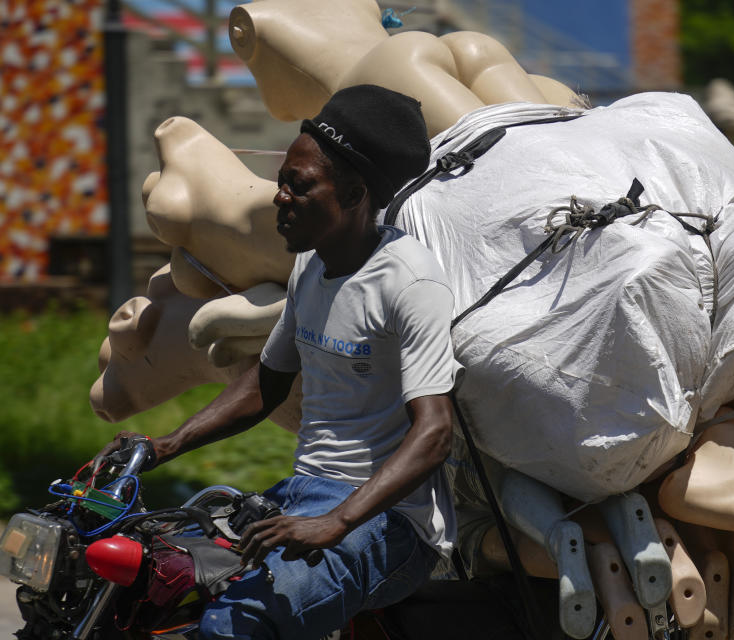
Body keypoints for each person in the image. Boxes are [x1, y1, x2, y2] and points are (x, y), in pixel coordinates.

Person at [98, 85, 461, 640]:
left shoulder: (409, 283)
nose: (280, 199)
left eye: (300, 186)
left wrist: (335, 522)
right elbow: (264, 385)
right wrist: (162, 447)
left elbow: (434, 434)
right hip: (305, 492)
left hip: (390, 525)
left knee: (231, 625)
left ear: (356, 191)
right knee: (153, 583)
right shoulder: (310, 268)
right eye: (281, 183)